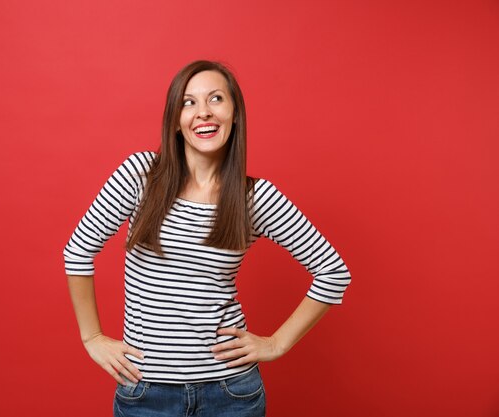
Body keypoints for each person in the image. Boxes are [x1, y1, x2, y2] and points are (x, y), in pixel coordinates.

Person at [63, 60, 351, 417]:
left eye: (216, 99)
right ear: (175, 120)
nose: (203, 113)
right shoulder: (140, 176)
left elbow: (333, 272)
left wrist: (276, 343)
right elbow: (78, 251)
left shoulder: (254, 198)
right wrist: (92, 338)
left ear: (235, 115)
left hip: (231, 393)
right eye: (189, 102)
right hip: (146, 391)